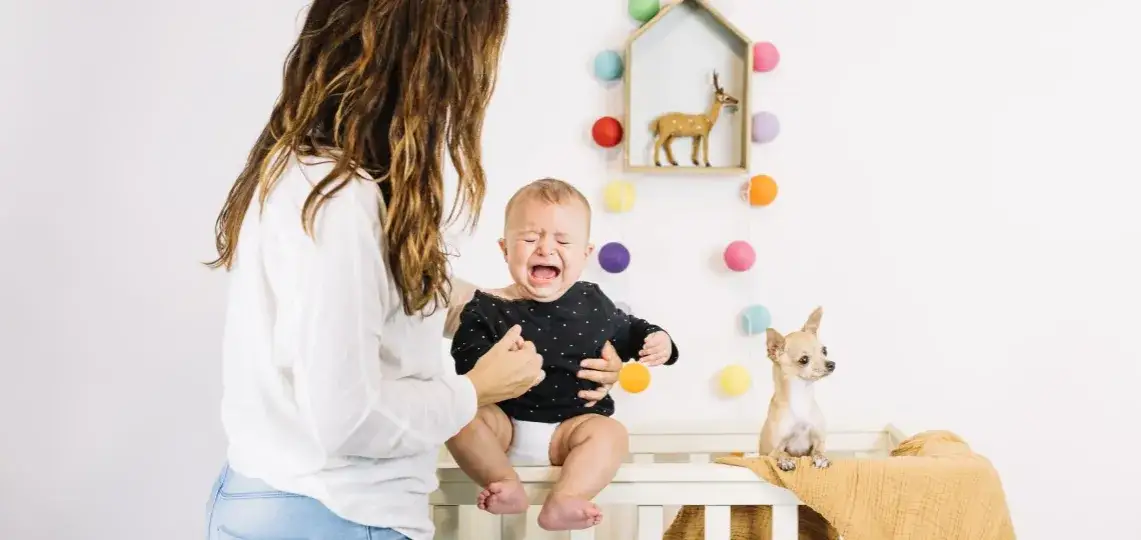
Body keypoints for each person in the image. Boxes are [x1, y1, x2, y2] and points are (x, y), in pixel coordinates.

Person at [201, 3, 623, 540]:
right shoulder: (341, 201)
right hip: (336, 514)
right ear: (430, 62)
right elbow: (348, 418)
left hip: (286, 502)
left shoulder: (309, 177)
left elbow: (403, 299)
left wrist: (550, 328)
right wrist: (474, 390)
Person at [446, 178, 680, 531]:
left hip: (570, 430)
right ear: (505, 249)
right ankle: (503, 481)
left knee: (611, 433)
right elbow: (466, 364)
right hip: (502, 425)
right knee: (457, 413)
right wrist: (493, 358)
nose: (545, 248)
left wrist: (658, 339)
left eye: (563, 240)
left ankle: (567, 497)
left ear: (585, 254)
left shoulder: (592, 301)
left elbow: (629, 331)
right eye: (529, 238)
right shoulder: (486, 307)